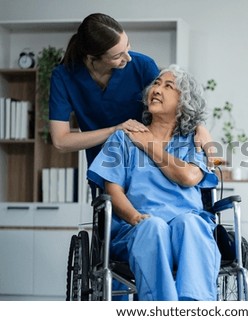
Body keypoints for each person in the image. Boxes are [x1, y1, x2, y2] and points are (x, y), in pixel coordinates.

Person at [87, 65, 221, 301]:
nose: (157, 89)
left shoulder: (194, 140)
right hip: (138, 228)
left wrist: (150, 145)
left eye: (168, 86)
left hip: (185, 228)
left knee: (190, 223)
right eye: (156, 84)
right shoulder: (124, 137)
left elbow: (190, 177)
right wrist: (134, 217)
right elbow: (112, 190)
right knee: (153, 226)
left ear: (183, 103)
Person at [49, 13, 213, 172]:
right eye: (118, 55)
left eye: (127, 46)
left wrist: (200, 127)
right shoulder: (64, 76)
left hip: (150, 163)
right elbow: (61, 141)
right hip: (109, 166)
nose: (128, 58)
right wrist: (116, 130)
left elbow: (170, 103)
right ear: (92, 58)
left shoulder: (142, 65)